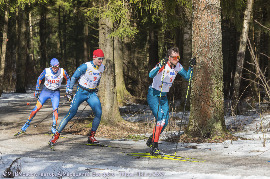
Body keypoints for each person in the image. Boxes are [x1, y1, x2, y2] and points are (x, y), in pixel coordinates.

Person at [49, 49, 105, 146]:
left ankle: (91, 136)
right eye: (99, 59)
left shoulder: (102, 67)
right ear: (94, 57)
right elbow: (74, 77)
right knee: (72, 112)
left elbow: (98, 78)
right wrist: (69, 90)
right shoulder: (86, 66)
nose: (101, 61)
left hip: (91, 93)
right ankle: (56, 135)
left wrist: (96, 87)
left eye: (102, 59)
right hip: (81, 92)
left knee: (99, 112)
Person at [146, 47, 196, 155]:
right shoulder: (163, 64)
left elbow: (187, 77)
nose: (177, 59)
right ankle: (154, 147)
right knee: (160, 120)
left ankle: (151, 139)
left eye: (178, 57)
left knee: (165, 121)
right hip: (154, 95)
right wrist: (159, 65)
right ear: (169, 58)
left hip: (163, 97)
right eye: (174, 57)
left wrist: (191, 67)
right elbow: (150, 75)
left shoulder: (177, 66)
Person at [16, 58, 71, 135]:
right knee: (36, 108)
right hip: (45, 91)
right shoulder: (46, 71)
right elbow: (39, 79)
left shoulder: (62, 71)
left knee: (55, 110)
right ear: (51, 66)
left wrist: (68, 90)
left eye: (57, 67)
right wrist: (37, 90)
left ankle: (54, 128)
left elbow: (68, 79)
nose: (55, 69)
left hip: (55, 92)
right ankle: (25, 126)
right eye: (54, 67)